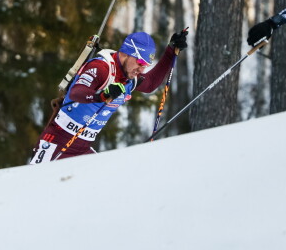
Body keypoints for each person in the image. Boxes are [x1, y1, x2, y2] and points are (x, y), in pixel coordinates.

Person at [30, 30, 188, 164]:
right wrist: (101, 95)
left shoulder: (129, 78)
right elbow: (77, 92)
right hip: (58, 141)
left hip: (83, 147)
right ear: (126, 54)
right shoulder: (101, 68)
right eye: (140, 62)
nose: (141, 69)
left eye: (145, 65)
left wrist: (170, 51)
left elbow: (151, 83)